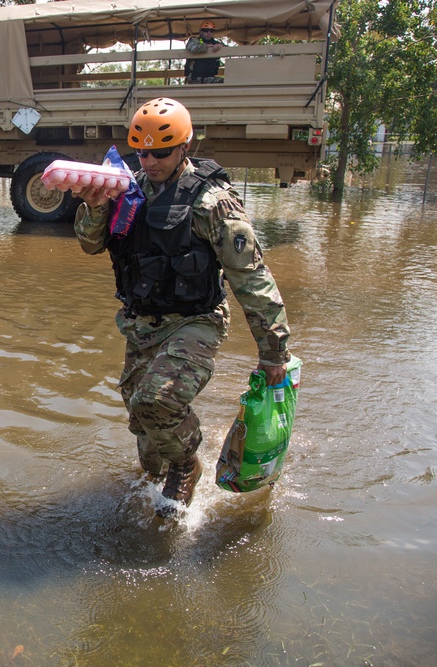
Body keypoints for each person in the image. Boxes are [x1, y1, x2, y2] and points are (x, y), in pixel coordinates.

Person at [72, 98, 291, 519]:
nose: (149, 161)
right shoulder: (125, 189)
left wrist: (273, 351)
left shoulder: (212, 202)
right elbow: (90, 243)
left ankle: (188, 463)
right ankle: (161, 474)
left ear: (184, 148)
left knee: (155, 402)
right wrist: (95, 206)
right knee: (143, 429)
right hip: (142, 324)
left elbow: (251, 276)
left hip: (195, 321)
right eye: (142, 152)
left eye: (160, 152)